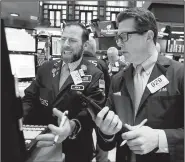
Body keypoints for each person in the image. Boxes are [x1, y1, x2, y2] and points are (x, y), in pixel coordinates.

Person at [95, 7, 184, 162]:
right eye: (118, 37)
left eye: (124, 36)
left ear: (148, 36)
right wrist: (106, 132)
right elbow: (108, 143)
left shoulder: (179, 74)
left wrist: (159, 139)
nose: (119, 43)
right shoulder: (118, 80)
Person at [22, 22, 106, 162]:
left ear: (85, 46)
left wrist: (72, 126)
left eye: (72, 40)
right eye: (63, 39)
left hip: (76, 149)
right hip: (43, 145)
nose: (66, 44)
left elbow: (92, 111)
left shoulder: (94, 74)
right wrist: (16, 118)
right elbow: (30, 98)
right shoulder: (46, 68)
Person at [83, 36, 110, 162]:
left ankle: (87, 154)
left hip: (80, 108)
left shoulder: (76, 63)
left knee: (83, 133)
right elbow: (109, 87)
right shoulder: (102, 63)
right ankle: (102, 159)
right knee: (101, 134)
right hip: (100, 107)